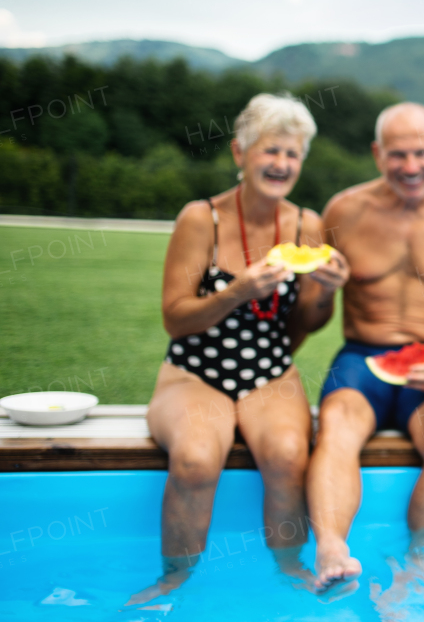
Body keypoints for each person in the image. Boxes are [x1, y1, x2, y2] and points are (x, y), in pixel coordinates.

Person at [130, 93, 350, 604]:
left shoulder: (305, 225)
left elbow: (303, 325)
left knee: (288, 454)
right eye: (270, 150)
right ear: (239, 153)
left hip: (270, 369)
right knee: (195, 459)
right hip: (195, 368)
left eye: (292, 154)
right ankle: (173, 582)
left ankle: (290, 573)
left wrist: (327, 292)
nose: (281, 164)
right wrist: (236, 292)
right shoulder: (199, 219)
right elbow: (175, 318)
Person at [307, 102, 424, 592]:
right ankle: (330, 550)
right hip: (361, 358)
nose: (411, 168)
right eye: (398, 155)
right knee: (336, 429)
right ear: (376, 154)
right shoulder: (344, 211)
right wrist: (323, 289)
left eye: (422, 153)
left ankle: (416, 567)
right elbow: (311, 315)